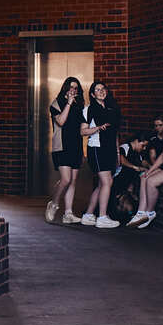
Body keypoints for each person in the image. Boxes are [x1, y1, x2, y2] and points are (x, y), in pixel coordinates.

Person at [80, 82, 124, 229]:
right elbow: (83, 131)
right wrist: (98, 128)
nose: (101, 91)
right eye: (97, 90)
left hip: (110, 149)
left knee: (102, 183)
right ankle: (103, 217)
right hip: (97, 148)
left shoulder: (112, 109)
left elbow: (115, 133)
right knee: (107, 182)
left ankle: (88, 215)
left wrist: (118, 153)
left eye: (103, 89)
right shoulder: (89, 109)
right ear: (92, 94)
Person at [47, 78, 85, 224]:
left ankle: (68, 213)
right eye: (71, 87)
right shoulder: (56, 104)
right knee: (66, 179)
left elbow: (80, 129)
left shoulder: (79, 106)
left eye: (76, 88)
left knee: (73, 181)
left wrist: (81, 151)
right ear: (65, 88)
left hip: (75, 146)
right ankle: (54, 204)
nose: (73, 90)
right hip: (61, 146)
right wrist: (68, 103)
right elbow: (61, 121)